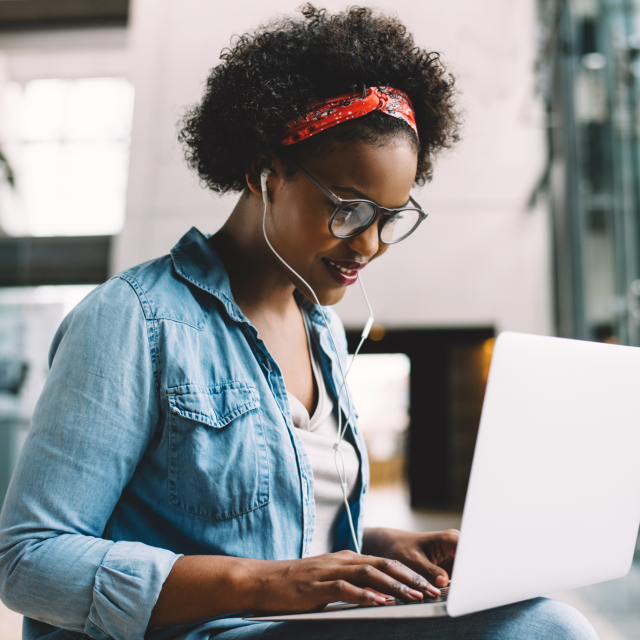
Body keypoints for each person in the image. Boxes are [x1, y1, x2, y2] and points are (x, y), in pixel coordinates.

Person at [0, 5, 598, 640]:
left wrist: (380, 550)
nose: (368, 245)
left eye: (391, 218)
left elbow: (274, 526)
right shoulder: (132, 321)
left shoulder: (320, 331)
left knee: (531, 619)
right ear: (266, 175)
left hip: (293, 626)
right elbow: (29, 559)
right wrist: (261, 586)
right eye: (348, 211)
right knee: (543, 630)